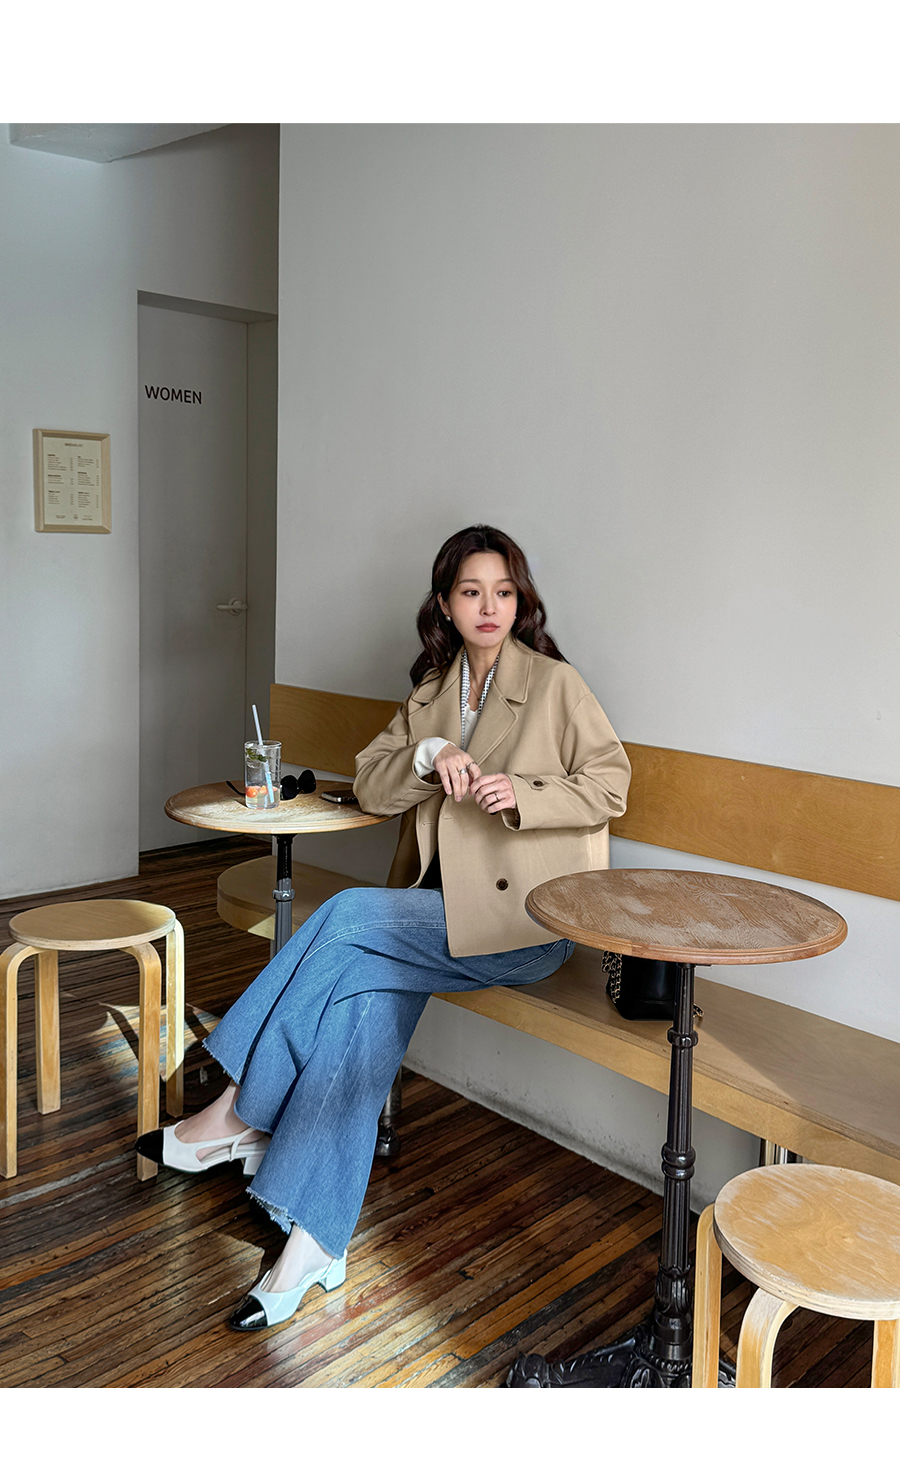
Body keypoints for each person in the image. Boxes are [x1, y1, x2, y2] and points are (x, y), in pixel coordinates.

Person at [136, 524, 631, 1332]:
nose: (489, 606)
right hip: (430, 912)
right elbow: (370, 783)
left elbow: (611, 784)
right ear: (445, 603)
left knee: (345, 913)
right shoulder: (434, 691)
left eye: (504, 591)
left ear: (521, 601)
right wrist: (429, 752)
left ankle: (239, 1110)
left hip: (521, 921)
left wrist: (525, 793)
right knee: (362, 997)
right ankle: (314, 1242)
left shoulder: (554, 684)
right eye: (471, 591)